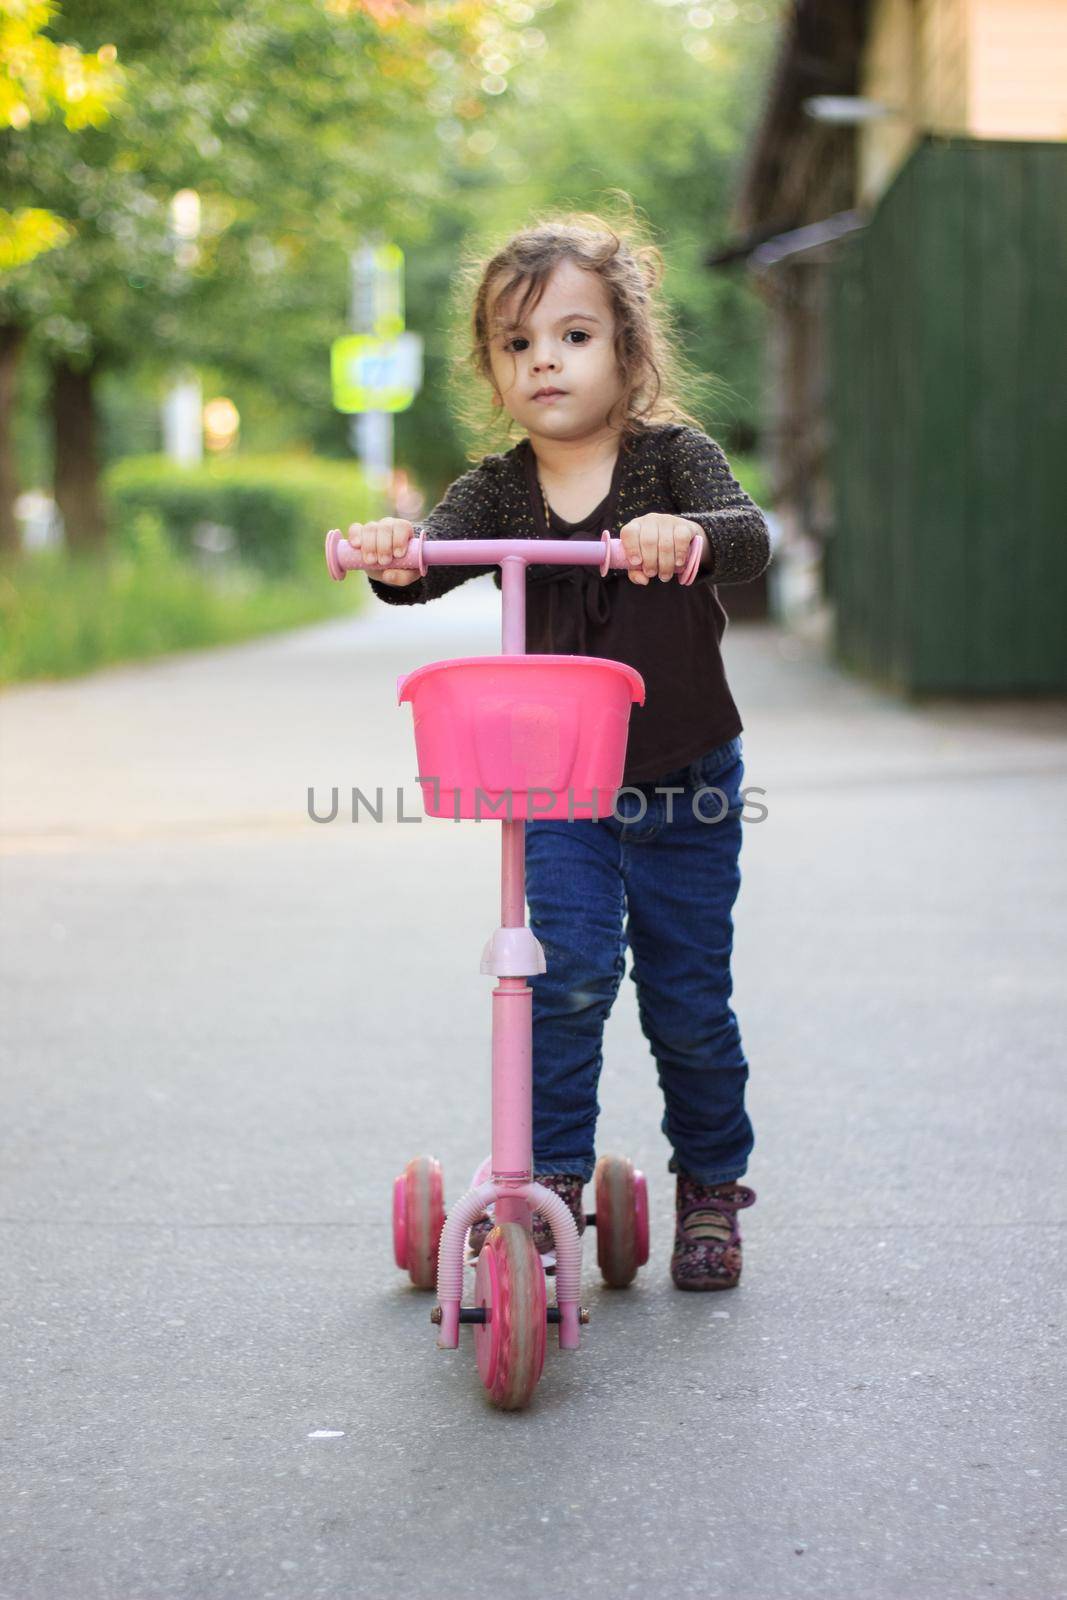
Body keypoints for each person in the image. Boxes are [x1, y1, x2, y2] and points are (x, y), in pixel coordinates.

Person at [350, 213, 770, 1290]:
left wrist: (688, 535)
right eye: (516, 342)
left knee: (686, 997)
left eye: (575, 336)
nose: (544, 359)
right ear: (491, 370)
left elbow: (747, 533)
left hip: (684, 783)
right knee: (563, 970)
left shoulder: (671, 462)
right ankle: (548, 1188)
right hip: (558, 783)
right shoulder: (495, 488)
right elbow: (425, 570)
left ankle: (711, 1185)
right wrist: (394, 552)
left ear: (628, 352)